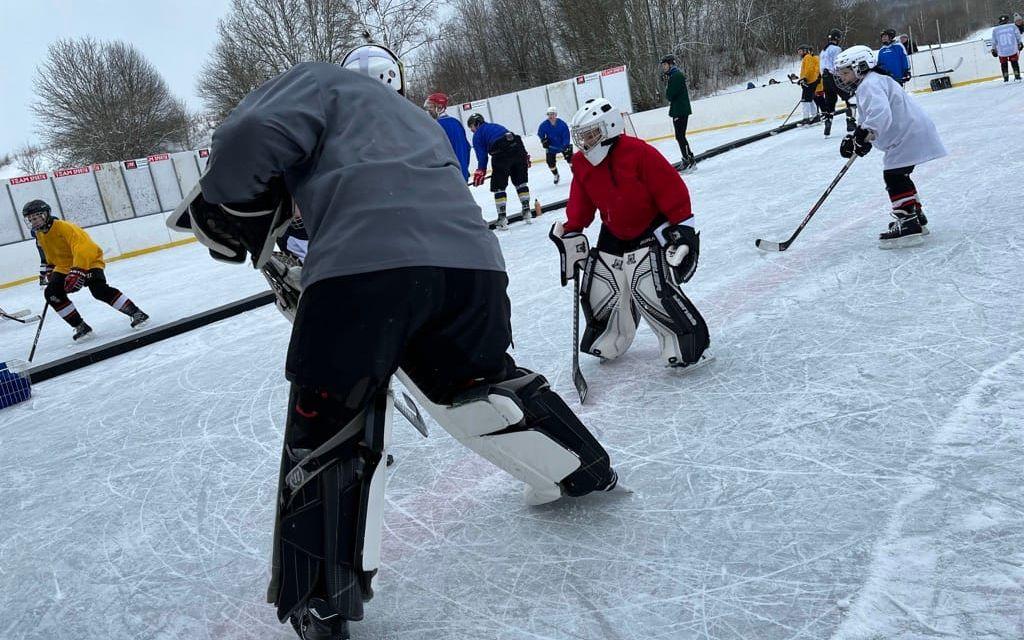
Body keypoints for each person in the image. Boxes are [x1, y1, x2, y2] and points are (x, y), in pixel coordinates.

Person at [168, 44, 619, 640]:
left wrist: (233, 201)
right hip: (471, 268)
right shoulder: (417, 121)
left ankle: (321, 599)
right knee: (477, 385)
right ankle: (584, 468)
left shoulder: (320, 83)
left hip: (363, 269)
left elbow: (249, 133)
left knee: (328, 419)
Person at [550, 98, 711, 371]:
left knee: (648, 288)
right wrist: (572, 227)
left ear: (609, 127)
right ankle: (610, 337)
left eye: (590, 135)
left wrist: (682, 229)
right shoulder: (581, 163)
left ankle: (685, 343)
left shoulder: (638, 153)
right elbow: (582, 201)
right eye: (582, 137)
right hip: (613, 230)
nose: (585, 143)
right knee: (602, 288)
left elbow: (671, 190)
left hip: (648, 228)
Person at [834, 45, 947, 248]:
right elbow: (870, 117)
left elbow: (880, 114)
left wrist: (863, 134)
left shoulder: (870, 84)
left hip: (908, 135)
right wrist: (858, 138)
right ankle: (914, 216)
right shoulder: (873, 82)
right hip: (911, 133)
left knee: (894, 176)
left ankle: (909, 222)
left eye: (845, 72)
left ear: (860, 67)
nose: (842, 78)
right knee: (899, 175)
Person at [21, 199, 148, 340]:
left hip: (88, 261)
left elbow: (84, 247)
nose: (34, 221)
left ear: (46, 214)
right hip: (65, 267)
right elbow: (50, 254)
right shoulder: (39, 234)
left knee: (99, 290)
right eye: (31, 219)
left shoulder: (64, 227)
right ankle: (81, 326)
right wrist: (51, 269)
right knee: (51, 293)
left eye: (37, 216)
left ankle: (137, 313)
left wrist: (78, 270)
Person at [468, 113, 532, 229]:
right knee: (520, 183)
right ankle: (527, 211)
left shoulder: (477, 135)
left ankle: (502, 218)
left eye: (471, 127)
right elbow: (512, 139)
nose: (471, 130)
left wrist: (481, 171)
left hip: (501, 153)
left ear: (476, 124)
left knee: (499, 187)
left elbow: (482, 156)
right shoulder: (496, 126)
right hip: (518, 148)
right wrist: (524, 155)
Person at [423, 92, 471, 180]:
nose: (428, 111)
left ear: (439, 108)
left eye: (430, 107)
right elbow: (467, 148)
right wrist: (464, 169)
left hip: (448, 178)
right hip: (461, 175)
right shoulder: (456, 123)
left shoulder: (436, 126)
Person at [660, 54, 696, 171]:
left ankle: (688, 161)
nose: (663, 68)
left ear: (671, 64)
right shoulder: (674, 76)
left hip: (679, 111)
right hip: (680, 110)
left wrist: (667, 86)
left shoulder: (675, 76)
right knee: (680, 136)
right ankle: (689, 159)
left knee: (680, 136)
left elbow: (670, 95)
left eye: (665, 65)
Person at [820, 29, 854, 136]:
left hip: (825, 79)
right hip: (834, 77)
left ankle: (828, 122)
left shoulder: (823, 51)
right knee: (849, 97)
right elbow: (838, 64)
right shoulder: (837, 49)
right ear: (837, 38)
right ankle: (850, 122)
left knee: (830, 101)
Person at [536, 106, 572, 184]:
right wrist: (543, 140)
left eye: (552, 114)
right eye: (549, 114)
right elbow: (540, 133)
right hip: (551, 147)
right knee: (550, 162)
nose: (550, 116)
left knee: (571, 160)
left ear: (556, 114)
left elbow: (566, 135)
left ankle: (576, 174)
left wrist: (565, 145)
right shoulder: (544, 125)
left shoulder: (562, 124)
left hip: (563, 146)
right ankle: (556, 175)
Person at [795, 44, 826, 125]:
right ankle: (815, 116)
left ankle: (806, 118)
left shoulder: (807, 57)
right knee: (810, 100)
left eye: (801, 51)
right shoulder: (808, 58)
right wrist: (801, 79)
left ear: (805, 51)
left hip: (809, 82)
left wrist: (804, 78)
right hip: (810, 81)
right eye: (798, 52)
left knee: (805, 101)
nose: (799, 53)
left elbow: (809, 69)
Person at [991, 15, 1023, 82]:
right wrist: (1020, 43)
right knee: (1014, 63)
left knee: (1003, 64)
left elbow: (994, 41)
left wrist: (993, 49)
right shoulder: (1013, 26)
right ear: (1007, 20)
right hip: (1012, 49)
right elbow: (1018, 36)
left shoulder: (995, 30)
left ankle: (1006, 78)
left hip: (1002, 51)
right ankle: (1017, 75)